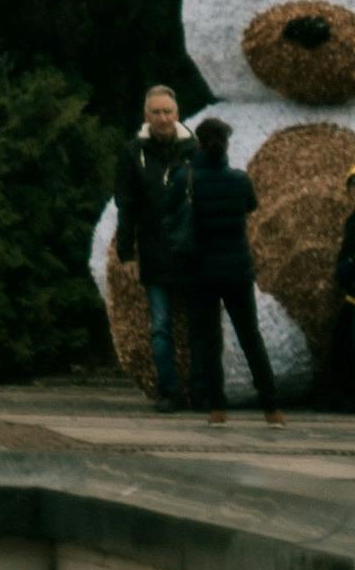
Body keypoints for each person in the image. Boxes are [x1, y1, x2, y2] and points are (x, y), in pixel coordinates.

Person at [180, 111, 277, 421]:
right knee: (250, 336)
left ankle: (217, 407)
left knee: (210, 341)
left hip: (202, 272)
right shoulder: (239, 180)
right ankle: (271, 408)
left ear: (199, 143)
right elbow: (251, 206)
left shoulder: (189, 179)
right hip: (238, 269)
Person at [118, 86, 195, 407]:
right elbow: (126, 205)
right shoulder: (131, 153)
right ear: (146, 116)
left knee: (197, 326)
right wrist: (126, 253)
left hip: (192, 253)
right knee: (161, 327)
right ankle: (169, 391)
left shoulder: (195, 149)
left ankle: (201, 389)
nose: (162, 118)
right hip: (153, 250)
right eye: (156, 112)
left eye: (167, 112)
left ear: (176, 114)